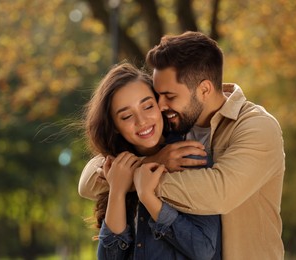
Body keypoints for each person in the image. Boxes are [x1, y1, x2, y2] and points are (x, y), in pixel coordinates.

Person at [79, 31, 285, 260]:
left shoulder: (256, 126)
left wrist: (138, 180)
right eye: (157, 96)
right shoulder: (176, 124)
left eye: (169, 95)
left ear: (204, 89)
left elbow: (220, 192)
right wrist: (152, 162)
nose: (160, 105)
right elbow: (89, 181)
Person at [82, 62, 221, 259]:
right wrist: (118, 192)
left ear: (160, 105)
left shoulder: (189, 157)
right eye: (127, 116)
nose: (142, 121)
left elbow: (204, 249)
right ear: (114, 126)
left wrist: (148, 197)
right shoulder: (118, 170)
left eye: (148, 106)